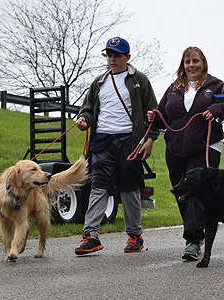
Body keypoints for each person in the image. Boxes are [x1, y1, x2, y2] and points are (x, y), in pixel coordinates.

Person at [147, 46, 224, 261]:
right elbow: (162, 113)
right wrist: (153, 116)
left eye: (196, 61)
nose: (192, 65)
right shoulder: (174, 88)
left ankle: (192, 240)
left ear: (203, 63)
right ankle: (196, 234)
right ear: (183, 65)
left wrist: (218, 109)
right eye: (188, 61)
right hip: (175, 148)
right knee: (181, 193)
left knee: (196, 192)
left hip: (205, 146)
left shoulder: (218, 85)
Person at [74, 37, 159, 254]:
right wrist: (84, 120)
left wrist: (150, 140)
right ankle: (90, 235)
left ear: (127, 57)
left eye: (117, 55)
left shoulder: (139, 80)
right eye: (109, 55)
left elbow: (154, 113)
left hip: (129, 141)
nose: (112, 59)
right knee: (98, 186)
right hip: (102, 140)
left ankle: (135, 235)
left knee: (129, 188)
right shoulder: (98, 82)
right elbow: (88, 109)